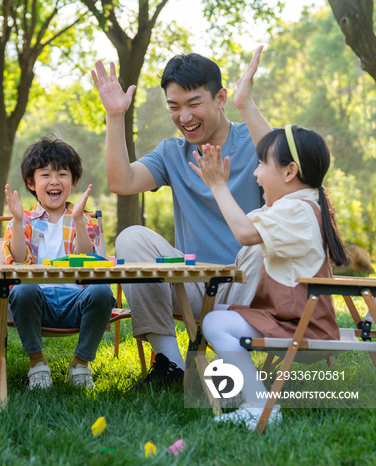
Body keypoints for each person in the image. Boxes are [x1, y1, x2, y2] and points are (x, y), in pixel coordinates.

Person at [91, 48, 268, 387]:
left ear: (220, 98)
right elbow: (121, 182)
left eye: (193, 103)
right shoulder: (173, 153)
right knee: (131, 237)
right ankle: (169, 363)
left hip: (251, 285)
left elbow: (290, 166)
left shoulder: (253, 139)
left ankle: (229, 353)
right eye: (174, 107)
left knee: (261, 245)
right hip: (197, 287)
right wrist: (115, 116)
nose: (184, 116)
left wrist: (248, 104)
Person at [192, 120, 349, 429]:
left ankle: (259, 406)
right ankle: (237, 389)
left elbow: (245, 233)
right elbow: (245, 223)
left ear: (289, 172)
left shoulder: (298, 210)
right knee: (220, 313)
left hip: (302, 326)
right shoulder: (295, 206)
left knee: (214, 321)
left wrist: (219, 186)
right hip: (294, 319)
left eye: (262, 163)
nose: (255, 173)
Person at [2, 135, 116, 389]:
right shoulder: (25, 221)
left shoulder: (84, 220)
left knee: (102, 292)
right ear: (31, 183)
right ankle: (38, 364)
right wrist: (19, 221)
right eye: (45, 175)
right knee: (23, 289)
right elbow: (19, 261)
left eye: (62, 174)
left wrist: (77, 221)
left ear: (73, 181)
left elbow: (88, 261)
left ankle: (80, 364)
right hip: (37, 302)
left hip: (77, 301)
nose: (54, 181)